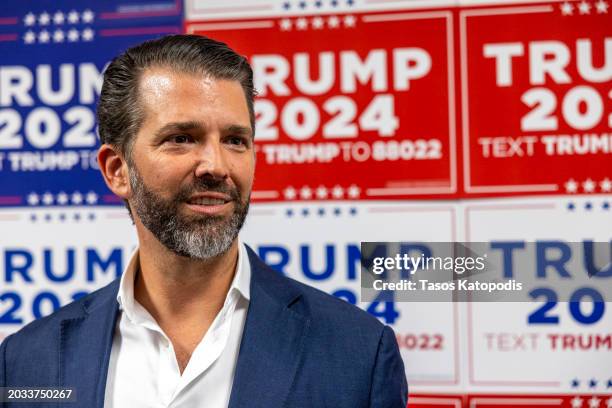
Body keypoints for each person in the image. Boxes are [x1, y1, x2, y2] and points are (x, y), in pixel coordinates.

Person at [0, 35, 407, 407]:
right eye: (181, 138)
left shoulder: (357, 355)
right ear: (117, 169)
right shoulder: (25, 362)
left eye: (235, 140)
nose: (216, 165)